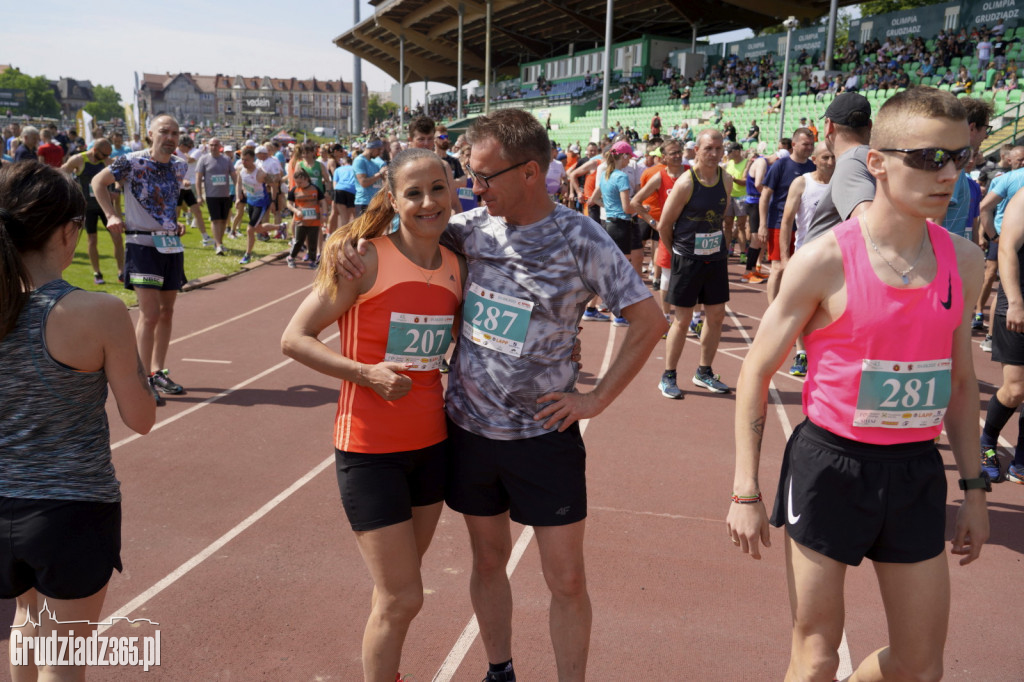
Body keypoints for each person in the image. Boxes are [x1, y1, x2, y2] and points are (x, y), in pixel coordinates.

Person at [337, 109, 666, 681]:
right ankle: (500, 669)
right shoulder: (470, 232)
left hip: (545, 437)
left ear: (531, 172)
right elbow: (407, 228)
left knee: (566, 580)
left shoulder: (581, 238)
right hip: (468, 433)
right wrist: (344, 241)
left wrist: (595, 401)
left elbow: (648, 320)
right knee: (487, 560)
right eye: (470, 176)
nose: (474, 188)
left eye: (484, 177)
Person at [727, 87, 988, 682]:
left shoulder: (965, 262)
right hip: (830, 468)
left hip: (916, 472)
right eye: (927, 158)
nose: (946, 173)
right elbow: (756, 370)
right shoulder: (823, 261)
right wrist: (746, 488)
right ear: (877, 162)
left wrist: (973, 489)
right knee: (815, 655)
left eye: (958, 158)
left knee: (921, 668)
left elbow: (963, 383)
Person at [282, 148, 466, 682]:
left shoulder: (457, 266)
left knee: (396, 595)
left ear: (453, 193)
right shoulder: (364, 259)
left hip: (432, 448)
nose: (428, 201)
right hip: (369, 452)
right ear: (393, 199)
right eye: (413, 192)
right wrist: (366, 373)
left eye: (438, 188)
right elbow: (294, 338)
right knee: (403, 595)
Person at [0, 161, 155, 680]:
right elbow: (141, 417)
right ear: (69, 230)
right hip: (70, 506)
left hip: (3, 502)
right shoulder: (97, 311)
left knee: (27, 618)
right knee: (65, 662)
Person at [92, 114, 189, 404]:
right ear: (150, 134)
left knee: (167, 312)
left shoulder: (179, 165)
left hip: (170, 245)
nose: (170, 137)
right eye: (164, 131)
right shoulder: (130, 161)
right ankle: (142, 377)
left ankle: (158, 370)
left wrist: (175, 222)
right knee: (149, 313)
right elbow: (98, 182)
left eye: (174, 133)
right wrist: (111, 214)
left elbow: (169, 202)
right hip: (141, 244)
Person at [656, 128, 733, 399]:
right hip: (687, 259)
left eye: (718, 148)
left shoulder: (726, 179)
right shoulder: (686, 183)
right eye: (708, 148)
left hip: (715, 258)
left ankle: (704, 371)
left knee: (716, 315)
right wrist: (678, 253)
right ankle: (668, 375)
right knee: (682, 318)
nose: (714, 154)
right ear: (696, 151)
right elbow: (664, 225)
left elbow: (722, 217)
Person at [777, 141, 836, 377]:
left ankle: (824, 354)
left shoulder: (843, 184)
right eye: (825, 158)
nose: (831, 162)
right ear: (814, 160)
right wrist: (784, 257)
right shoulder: (802, 183)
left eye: (833, 158)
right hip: (805, 256)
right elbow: (787, 220)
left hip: (834, 257)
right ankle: (801, 354)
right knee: (802, 310)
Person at [981, 183, 1024, 485]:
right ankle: (986, 443)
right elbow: (1006, 248)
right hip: (1018, 301)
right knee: (1016, 389)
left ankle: (1021, 460)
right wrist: (1016, 300)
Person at [803, 92, 874, 243]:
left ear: (829, 126)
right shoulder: (870, 158)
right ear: (869, 126)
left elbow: (869, 228)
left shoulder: (851, 163)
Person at [758, 128, 816, 304]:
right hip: (778, 223)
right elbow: (765, 195)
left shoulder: (812, 167)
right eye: (805, 144)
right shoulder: (780, 165)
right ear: (794, 144)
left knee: (801, 268)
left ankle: (790, 304)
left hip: (803, 226)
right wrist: (762, 224)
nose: (809, 148)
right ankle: (772, 308)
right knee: (778, 268)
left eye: (812, 145)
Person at [60, 137, 125, 286]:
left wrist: (116, 189)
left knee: (117, 238)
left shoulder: (107, 161)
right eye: (104, 155)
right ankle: (97, 272)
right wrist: (72, 191)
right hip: (88, 207)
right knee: (92, 240)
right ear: (95, 150)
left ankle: (121, 271)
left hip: (105, 206)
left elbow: (119, 177)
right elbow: (62, 172)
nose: (107, 158)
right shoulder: (78, 159)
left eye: (109, 155)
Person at [195, 137, 236, 255]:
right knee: (215, 219)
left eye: (215, 145)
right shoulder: (203, 159)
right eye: (211, 145)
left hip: (225, 194)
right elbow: (198, 178)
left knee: (223, 220)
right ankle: (218, 244)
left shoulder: (226, 159)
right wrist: (199, 195)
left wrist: (238, 190)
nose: (213, 147)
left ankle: (219, 243)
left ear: (220, 146)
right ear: (208, 146)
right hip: (211, 195)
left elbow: (233, 175)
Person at [286, 168, 327, 269]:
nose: (298, 184)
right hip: (300, 220)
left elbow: (323, 202)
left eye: (300, 182)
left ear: (305, 179)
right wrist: (296, 211)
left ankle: (312, 260)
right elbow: (289, 204)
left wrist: (324, 215)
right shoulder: (294, 190)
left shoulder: (315, 189)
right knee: (299, 241)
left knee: (313, 241)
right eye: (296, 182)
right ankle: (291, 257)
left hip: (314, 220)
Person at [353, 138, 386, 216]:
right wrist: (380, 174)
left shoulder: (374, 162)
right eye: (378, 150)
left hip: (374, 202)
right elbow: (363, 182)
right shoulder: (359, 160)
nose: (379, 153)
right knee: (363, 228)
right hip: (363, 203)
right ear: (372, 148)